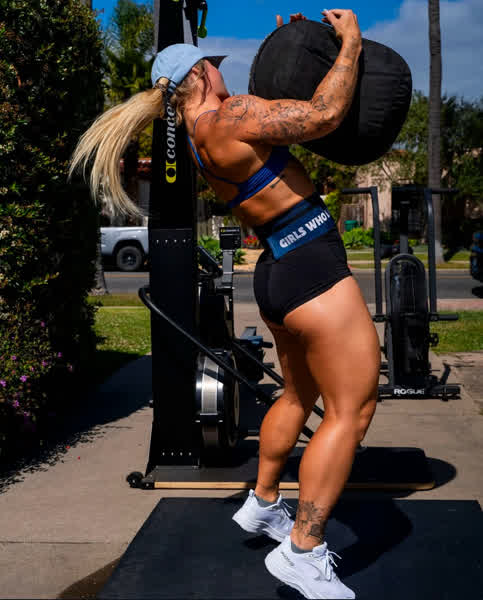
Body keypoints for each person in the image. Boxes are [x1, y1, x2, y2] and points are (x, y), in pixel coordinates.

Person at [70, 9, 380, 599]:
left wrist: (296, 51)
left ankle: (263, 503)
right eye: (214, 67)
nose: (222, 74)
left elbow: (279, 119)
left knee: (299, 395)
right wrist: (348, 45)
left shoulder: (198, 137)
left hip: (279, 270)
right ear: (200, 75)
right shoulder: (228, 116)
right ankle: (304, 551)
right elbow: (324, 115)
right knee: (353, 410)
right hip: (311, 267)